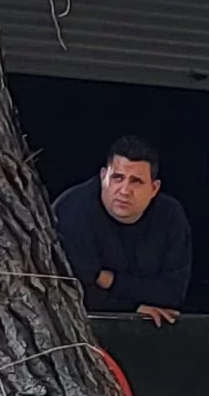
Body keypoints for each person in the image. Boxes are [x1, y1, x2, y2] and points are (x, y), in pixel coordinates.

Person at [53, 135, 192, 325]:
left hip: (154, 327)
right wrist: (132, 308)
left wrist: (109, 280)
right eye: (117, 178)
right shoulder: (73, 210)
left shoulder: (170, 216)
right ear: (103, 176)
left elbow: (172, 293)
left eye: (136, 181)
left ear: (154, 188)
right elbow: (73, 290)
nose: (124, 190)